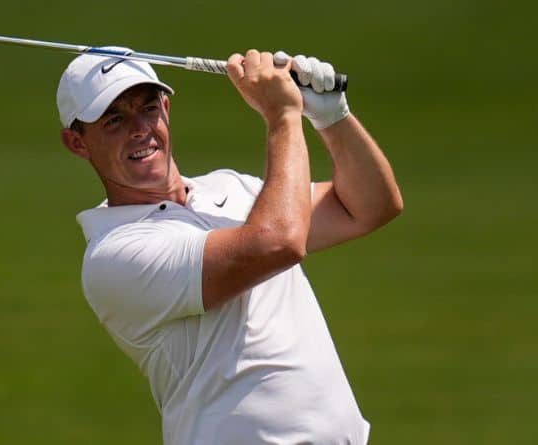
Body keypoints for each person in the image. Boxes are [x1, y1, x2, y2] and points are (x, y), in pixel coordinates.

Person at [56, 47, 403, 445]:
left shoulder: (231, 188)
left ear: (166, 108)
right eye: (114, 119)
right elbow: (278, 243)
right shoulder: (114, 256)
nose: (140, 129)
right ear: (77, 143)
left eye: (148, 108)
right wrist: (283, 116)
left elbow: (371, 206)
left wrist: (331, 117)